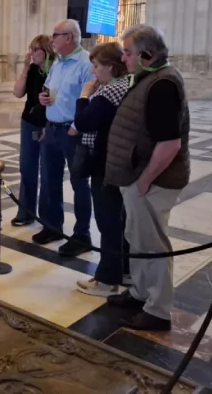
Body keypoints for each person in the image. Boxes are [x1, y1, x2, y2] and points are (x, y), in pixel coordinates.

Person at [105, 24, 190, 332]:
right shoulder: (150, 78)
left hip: (152, 181)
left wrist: (145, 180)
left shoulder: (162, 84)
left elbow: (170, 143)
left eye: (128, 53)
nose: (124, 58)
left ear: (147, 54)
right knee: (137, 237)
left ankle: (158, 310)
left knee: (153, 245)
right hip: (139, 176)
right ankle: (141, 293)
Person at [73, 42, 131, 297]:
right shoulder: (124, 86)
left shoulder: (110, 92)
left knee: (108, 221)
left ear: (109, 66)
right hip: (118, 161)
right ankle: (123, 269)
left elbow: (84, 122)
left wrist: (84, 95)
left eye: (96, 66)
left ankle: (108, 279)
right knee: (119, 220)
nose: (94, 71)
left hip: (105, 162)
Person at [34, 19, 95, 257]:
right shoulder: (57, 64)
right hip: (52, 128)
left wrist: (76, 127)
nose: (52, 40)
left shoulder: (86, 64)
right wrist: (43, 99)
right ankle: (53, 226)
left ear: (69, 37)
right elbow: (48, 90)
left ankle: (82, 235)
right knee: (50, 179)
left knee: (80, 184)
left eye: (55, 35)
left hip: (72, 131)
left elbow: (88, 99)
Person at [10, 35, 55, 226]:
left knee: (46, 171)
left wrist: (48, 126)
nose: (32, 53)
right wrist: (26, 68)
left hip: (49, 123)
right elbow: (18, 92)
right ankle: (26, 212)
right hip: (29, 122)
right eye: (31, 48)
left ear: (46, 51)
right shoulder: (33, 70)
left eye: (36, 49)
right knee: (26, 167)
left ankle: (46, 217)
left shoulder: (55, 71)